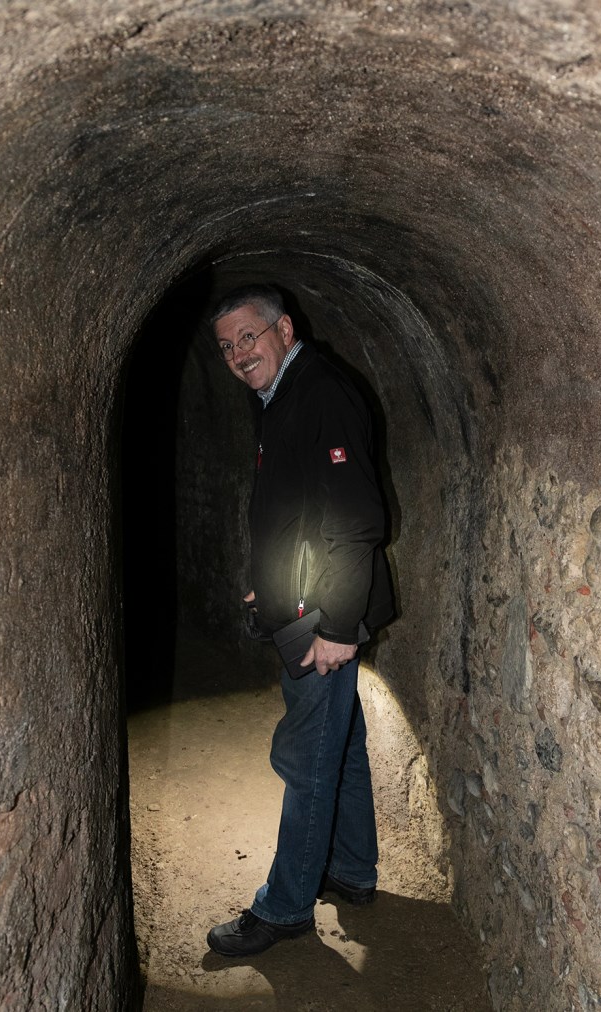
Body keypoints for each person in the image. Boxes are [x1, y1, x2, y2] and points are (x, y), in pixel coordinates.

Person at [205, 284, 394, 957]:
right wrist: (266, 585)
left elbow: (356, 519)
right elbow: (293, 508)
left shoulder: (322, 392)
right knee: (337, 743)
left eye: (248, 337)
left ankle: (284, 908)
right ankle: (351, 870)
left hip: (324, 612)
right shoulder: (280, 395)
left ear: (283, 329)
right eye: (226, 346)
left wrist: (338, 627)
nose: (237, 353)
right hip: (304, 600)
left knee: (305, 757)